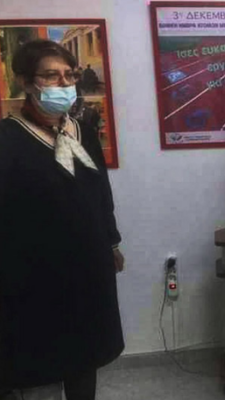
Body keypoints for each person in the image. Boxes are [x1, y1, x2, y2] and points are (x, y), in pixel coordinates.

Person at [0, 40, 125, 400]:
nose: (64, 84)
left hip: (87, 269)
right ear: (26, 82)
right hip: (32, 277)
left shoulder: (82, 131)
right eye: (51, 76)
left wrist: (112, 242)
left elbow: (100, 193)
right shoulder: (8, 140)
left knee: (85, 358)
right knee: (41, 366)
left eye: (69, 75)